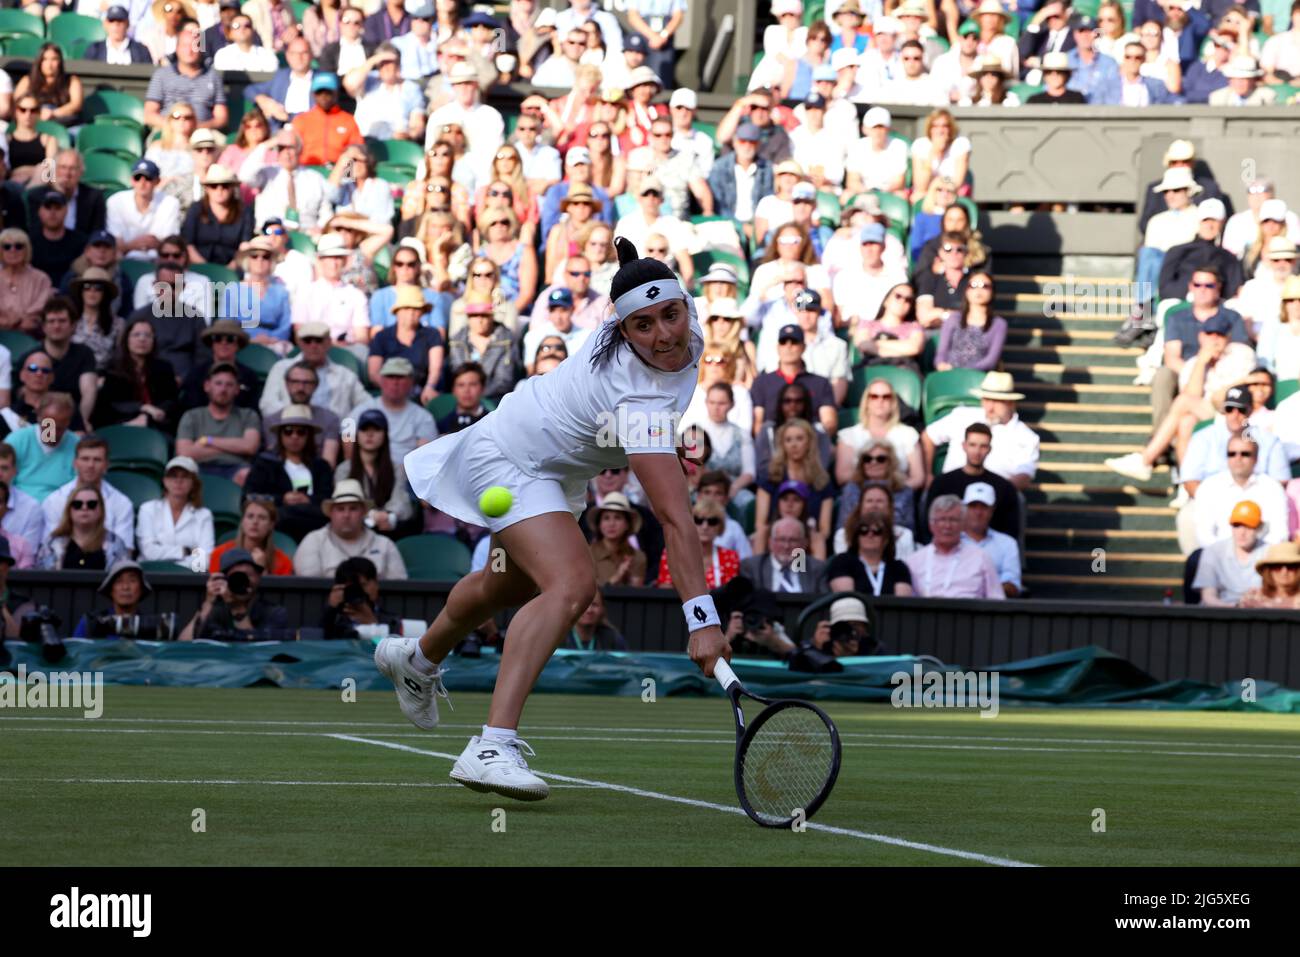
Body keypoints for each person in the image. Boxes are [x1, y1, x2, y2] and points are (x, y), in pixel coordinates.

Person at [383, 238, 730, 799]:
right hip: (507, 456)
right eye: (643, 326)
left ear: (687, 303)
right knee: (571, 584)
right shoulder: (635, 397)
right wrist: (702, 619)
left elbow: (644, 405)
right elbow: (673, 517)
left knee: (505, 585)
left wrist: (657, 441)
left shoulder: (681, 339)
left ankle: (416, 659)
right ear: (621, 331)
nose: (664, 335)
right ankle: (491, 745)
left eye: (671, 314)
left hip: (555, 462)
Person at [1106, 315, 1255, 481]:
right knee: (1186, 422)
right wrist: (1202, 363)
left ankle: (1146, 459)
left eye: (1219, 334)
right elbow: (1192, 394)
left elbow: (1234, 394)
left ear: (1228, 336)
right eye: (1210, 334)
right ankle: (1187, 482)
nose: (1215, 339)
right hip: (1207, 414)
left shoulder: (1241, 354)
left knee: (1183, 403)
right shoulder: (1193, 363)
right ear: (1201, 336)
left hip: (1235, 412)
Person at [923, 371, 1040, 492]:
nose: (990, 407)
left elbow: (1024, 476)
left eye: (996, 401)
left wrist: (995, 495)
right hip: (951, 492)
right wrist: (928, 475)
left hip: (996, 499)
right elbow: (929, 436)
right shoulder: (962, 415)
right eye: (986, 399)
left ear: (1010, 403)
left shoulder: (1027, 437)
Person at [244, 403, 334, 541]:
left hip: (315, 526)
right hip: (278, 527)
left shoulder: (321, 466)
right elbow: (249, 497)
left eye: (301, 432)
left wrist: (308, 500)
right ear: (280, 435)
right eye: (288, 431)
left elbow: (328, 500)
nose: (294, 436)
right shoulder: (264, 464)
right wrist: (283, 499)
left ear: (309, 436)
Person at [294, 478, 409, 578]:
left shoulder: (385, 545)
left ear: (364, 512)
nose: (346, 515)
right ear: (330, 513)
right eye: (340, 509)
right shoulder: (313, 542)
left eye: (353, 508)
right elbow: (309, 591)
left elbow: (399, 590)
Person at [1193, 434, 1288, 550]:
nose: (1238, 458)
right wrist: (1227, 555)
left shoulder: (1272, 488)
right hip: (1219, 556)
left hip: (1262, 559)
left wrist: (1256, 556)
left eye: (1245, 454)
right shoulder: (1209, 487)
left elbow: (1280, 534)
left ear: (1256, 458)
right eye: (1232, 454)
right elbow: (1204, 535)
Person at [41, 434, 135, 550]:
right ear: (75, 463)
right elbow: (50, 546)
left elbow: (124, 550)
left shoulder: (122, 503)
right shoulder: (54, 500)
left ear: (106, 465)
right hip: (64, 564)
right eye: (85, 459)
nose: (90, 465)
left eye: (97, 460)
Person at [261, 323, 371, 421]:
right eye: (308, 341)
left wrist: (347, 427)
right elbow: (267, 404)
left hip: (336, 436)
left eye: (318, 340)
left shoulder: (345, 375)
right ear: (299, 343)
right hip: (292, 433)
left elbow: (367, 404)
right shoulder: (281, 368)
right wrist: (297, 419)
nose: (313, 346)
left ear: (328, 343)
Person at [175, 363, 263, 484]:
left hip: (235, 469)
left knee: (246, 475)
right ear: (207, 386)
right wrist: (234, 448)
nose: (223, 389)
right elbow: (184, 453)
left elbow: (250, 447)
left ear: (237, 389)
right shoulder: (191, 416)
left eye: (229, 385)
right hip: (198, 468)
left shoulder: (248, 415)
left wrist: (208, 441)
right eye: (218, 383)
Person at [334, 408, 415, 537]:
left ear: (385, 435)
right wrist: (371, 516)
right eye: (364, 429)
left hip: (387, 529)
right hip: (354, 529)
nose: (370, 434)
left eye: (376, 429)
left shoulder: (396, 469)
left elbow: (402, 503)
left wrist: (388, 515)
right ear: (357, 434)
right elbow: (341, 503)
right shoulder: (344, 469)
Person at [180, 547, 291, 641]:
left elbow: (256, 652)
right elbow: (184, 645)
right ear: (224, 580)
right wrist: (208, 603)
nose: (242, 581)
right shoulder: (215, 611)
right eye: (236, 576)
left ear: (258, 578)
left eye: (248, 574)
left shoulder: (274, 613)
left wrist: (237, 608)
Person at [905, 494, 1003, 599]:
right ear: (931, 525)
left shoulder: (981, 558)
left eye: (953, 520)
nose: (947, 526)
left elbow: (997, 599)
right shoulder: (913, 562)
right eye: (942, 520)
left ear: (963, 525)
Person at [91, 319, 180, 431]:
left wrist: (155, 413)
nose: (142, 339)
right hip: (122, 421)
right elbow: (112, 402)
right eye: (136, 335)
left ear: (154, 340)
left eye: (147, 335)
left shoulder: (164, 368)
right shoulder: (113, 368)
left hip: (157, 422)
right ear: (127, 339)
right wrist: (143, 408)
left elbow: (171, 400)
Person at [347, 358, 438, 463]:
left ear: (411, 382)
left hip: (405, 474)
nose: (395, 382)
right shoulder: (362, 409)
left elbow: (426, 455)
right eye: (390, 376)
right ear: (381, 380)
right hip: (368, 470)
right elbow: (346, 431)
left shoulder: (423, 417)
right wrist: (353, 464)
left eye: (400, 377)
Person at [143, 19, 229, 131]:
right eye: (185, 46)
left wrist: (198, 128)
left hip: (203, 132)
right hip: (167, 131)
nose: (189, 51)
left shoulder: (213, 77)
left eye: (194, 46)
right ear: (177, 48)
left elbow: (221, 118)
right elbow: (149, 114)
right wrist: (175, 127)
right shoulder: (161, 75)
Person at [136, 455, 215, 567]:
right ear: (165, 481)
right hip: (151, 574)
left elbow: (204, 559)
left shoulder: (204, 515)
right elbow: (148, 552)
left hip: (188, 577)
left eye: (185, 476)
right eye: (173, 476)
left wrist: (176, 566)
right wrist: (185, 551)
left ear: (193, 483)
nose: (178, 481)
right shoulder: (148, 509)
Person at [37, 484, 129, 571]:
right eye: (77, 504)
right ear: (69, 510)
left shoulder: (115, 544)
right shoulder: (52, 543)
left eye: (91, 504)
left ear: (101, 510)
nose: (84, 508)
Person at [3, 392, 78, 499]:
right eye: (49, 425)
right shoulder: (17, 440)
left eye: (59, 428)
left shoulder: (77, 445)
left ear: (68, 422)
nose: (53, 432)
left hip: (61, 506)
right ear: (38, 416)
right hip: (19, 505)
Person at [1193, 500, 1266, 606]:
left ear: (1259, 527)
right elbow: (1208, 596)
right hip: (1218, 615)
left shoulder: (1270, 553)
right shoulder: (1213, 552)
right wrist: (1234, 609)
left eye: (1249, 526)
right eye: (1237, 525)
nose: (1242, 532)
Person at [825, 508, 913, 596]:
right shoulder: (842, 562)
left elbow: (901, 603)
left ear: (886, 539)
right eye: (863, 530)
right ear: (856, 536)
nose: (870, 535)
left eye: (877, 531)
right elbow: (847, 600)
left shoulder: (898, 567)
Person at [934, 271, 1007, 371]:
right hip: (949, 375)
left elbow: (990, 361)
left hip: (978, 378)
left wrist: (962, 370)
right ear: (966, 291)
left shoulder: (998, 324)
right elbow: (942, 353)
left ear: (992, 291)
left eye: (984, 286)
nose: (978, 290)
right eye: (973, 285)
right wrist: (941, 365)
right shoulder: (953, 318)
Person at [960, 482, 1021, 597]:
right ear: (964, 509)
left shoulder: (1007, 543)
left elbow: (1013, 585)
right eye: (973, 506)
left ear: (992, 510)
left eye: (984, 507)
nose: (978, 512)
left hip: (994, 609)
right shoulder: (950, 542)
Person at [322, 556, 404, 639]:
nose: (359, 590)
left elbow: (394, 649)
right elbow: (321, 643)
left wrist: (372, 624)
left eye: (363, 585)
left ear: (376, 584)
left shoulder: (393, 622)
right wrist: (331, 609)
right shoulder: (335, 621)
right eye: (352, 587)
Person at [739, 516, 827, 592]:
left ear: (804, 544)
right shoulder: (752, 567)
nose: (786, 546)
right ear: (770, 543)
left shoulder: (816, 569)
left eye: (793, 540)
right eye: (781, 539)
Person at [209, 498, 295, 575]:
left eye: (262, 518)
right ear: (242, 521)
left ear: (271, 525)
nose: (255, 522)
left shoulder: (283, 562)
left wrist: (262, 570)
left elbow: (276, 593)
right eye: (250, 516)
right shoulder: (219, 554)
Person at [586, 491, 648, 585]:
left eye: (618, 517)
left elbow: (636, 594)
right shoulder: (587, 555)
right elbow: (589, 592)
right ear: (599, 524)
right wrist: (617, 577)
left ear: (627, 524)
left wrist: (628, 576)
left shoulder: (638, 557)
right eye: (606, 518)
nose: (611, 524)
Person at [0, 230, 53, 336]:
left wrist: (21, 321)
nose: (13, 250)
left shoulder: (41, 279)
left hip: (32, 336)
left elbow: (41, 310)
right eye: (7, 247)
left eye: (19, 246)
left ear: (27, 250)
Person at [30, 191, 86, 288]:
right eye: (48, 208)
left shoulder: (80, 241)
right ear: (40, 211)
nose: (52, 213)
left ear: (66, 211)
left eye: (57, 208)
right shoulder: (29, 242)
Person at [1238, 541, 1300, 608]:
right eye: (1277, 566)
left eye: (1291, 566)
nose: (1284, 571)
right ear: (1268, 570)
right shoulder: (1251, 597)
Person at [85, 6, 155, 64]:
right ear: (105, 24)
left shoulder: (141, 50)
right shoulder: (95, 49)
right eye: (112, 21)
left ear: (127, 24)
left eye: (120, 21)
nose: (116, 25)